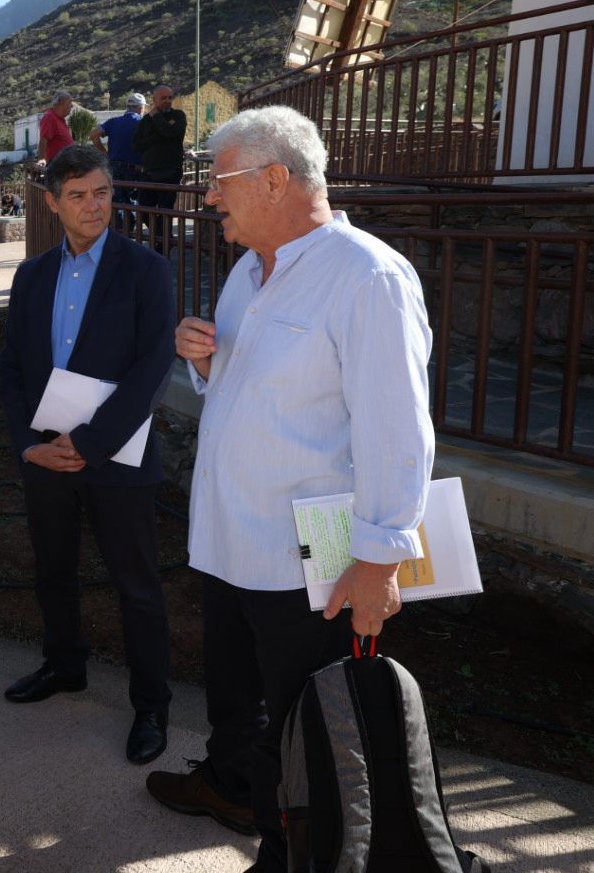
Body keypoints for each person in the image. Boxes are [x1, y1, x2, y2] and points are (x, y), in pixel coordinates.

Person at [148, 106, 434, 871]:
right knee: (235, 698)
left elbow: (396, 431)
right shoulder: (248, 271)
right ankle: (234, 786)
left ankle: (292, 851)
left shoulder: (367, 275)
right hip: (228, 539)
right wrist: (207, 364)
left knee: (309, 722)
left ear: (276, 179)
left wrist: (379, 559)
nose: (210, 197)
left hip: (312, 555)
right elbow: (253, 396)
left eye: (221, 180)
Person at [0, 144, 179, 765]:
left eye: (101, 192)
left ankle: (151, 705)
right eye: (76, 195)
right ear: (53, 203)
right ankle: (63, 665)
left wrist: (93, 442)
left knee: (137, 586)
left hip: (118, 457)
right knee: (53, 569)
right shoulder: (31, 275)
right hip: (47, 457)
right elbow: (14, 369)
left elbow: (153, 366)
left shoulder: (147, 269)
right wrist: (29, 445)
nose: (92, 205)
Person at [132, 85, 188, 250]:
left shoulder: (178, 116)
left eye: (170, 97)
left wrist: (157, 120)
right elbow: (137, 145)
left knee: (165, 211)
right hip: (149, 173)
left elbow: (170, 132)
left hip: (170, 172)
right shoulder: (145, 121)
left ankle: (163, 245)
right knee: (143, 210)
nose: (167, 101)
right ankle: (164, 237)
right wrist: (159, 134)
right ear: (154, 100)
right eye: (163, 98)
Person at [93, 92, 149, 231]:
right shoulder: (142, 123)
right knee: (132, 204)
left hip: (113, 168)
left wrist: (105, 154)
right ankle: (128, 236)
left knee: (116, 203)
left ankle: (117, 235)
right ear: (141, 108)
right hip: (134, 170)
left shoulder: (114, 122)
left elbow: (94, 134)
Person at [36, 91, 75, 163]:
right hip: (57, 165)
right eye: (70, 102)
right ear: (62, 103)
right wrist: (41, 165)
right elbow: (43, 142)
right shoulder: (49, 117)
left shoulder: (60, 119)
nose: (72, 106)